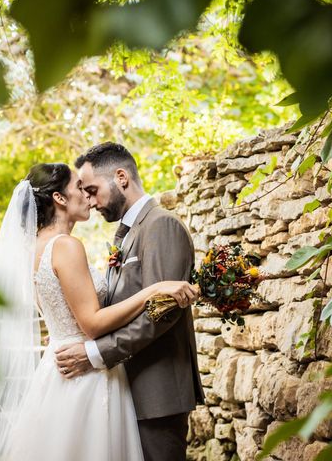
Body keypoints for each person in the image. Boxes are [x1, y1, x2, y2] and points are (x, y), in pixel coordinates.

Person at [0, 162, 198, 461]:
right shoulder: (66, 246)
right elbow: (92, 324)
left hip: (59, 369)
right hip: (84, 376)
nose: (88, 196)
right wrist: (152, 290)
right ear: (59, 199)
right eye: (79, 187)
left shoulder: (35, 247)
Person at [55, 143, 205, 461]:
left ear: (121, 177)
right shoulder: (125, 235)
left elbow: (162, 314)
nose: (90, 202)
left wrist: (95, 354)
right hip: (126, 391)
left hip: (157, 394)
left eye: (93, 190)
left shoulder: (161, 225)